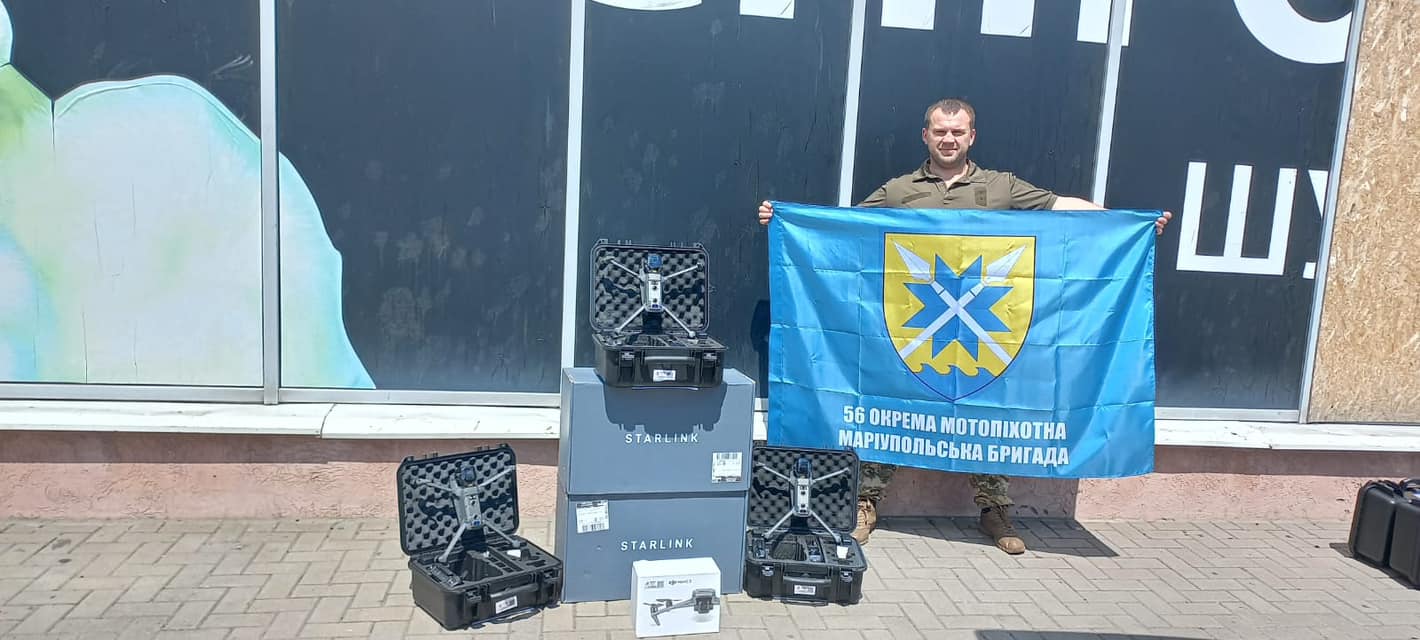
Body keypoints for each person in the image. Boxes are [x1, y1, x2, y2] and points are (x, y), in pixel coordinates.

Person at [757, 97, 1171, 554]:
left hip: (986, 333)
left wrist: (1129, 225)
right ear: (926, 135)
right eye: (940, 131)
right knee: (886, 406)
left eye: (957, 132)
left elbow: (1061, 208)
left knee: (986, 414)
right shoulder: (899, 190)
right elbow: (843, 228)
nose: (948, 139)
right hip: (914, 330)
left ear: (972, 136)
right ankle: (867, 502)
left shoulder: (1001, 187)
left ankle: (995, 509)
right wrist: (783, 220)